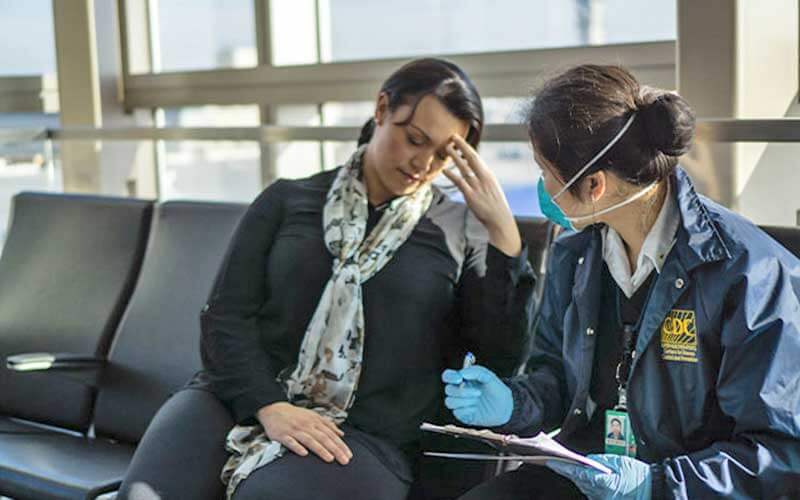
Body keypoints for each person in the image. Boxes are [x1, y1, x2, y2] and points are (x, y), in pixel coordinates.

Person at [125, 58, 534, 500]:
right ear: (381, 109)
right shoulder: (287, 200)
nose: (423, 162)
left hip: (363, 435)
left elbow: (501, 357)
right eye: (414, 139)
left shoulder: (462, 232)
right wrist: (269, 405)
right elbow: (226, 317)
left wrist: (504, 237)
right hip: (236, 398)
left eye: (442, 155)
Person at [441, 65, 800, 500]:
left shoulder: (748, 274)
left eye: (544, 170)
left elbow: (779, 454)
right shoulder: (575, 255)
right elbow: (554, 377)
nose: (541, 186)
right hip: (587, 474)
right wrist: (510, 403)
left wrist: (654, 485)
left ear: (593, 185)